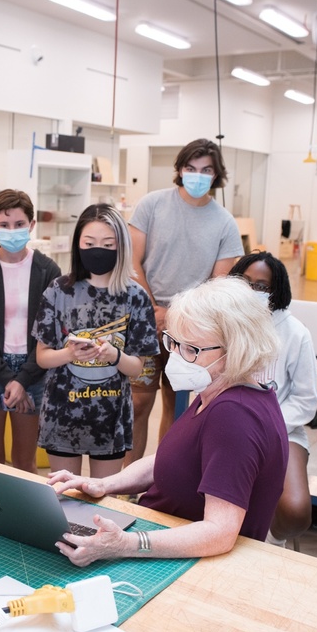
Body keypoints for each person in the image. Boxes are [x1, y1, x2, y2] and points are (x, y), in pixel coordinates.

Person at [48, 277, 288, 566]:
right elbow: (173, 458)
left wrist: (127, 544)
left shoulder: (234, 416)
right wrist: (104, 484)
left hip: (186, 560)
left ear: (235, 350)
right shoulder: (217, 391)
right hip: (163, 530)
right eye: (173, 342)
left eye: (190, 349)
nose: (175, 356)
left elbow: (220, 532)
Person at [126, 138, 245, 466]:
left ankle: (162, 478)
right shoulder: (151, 205)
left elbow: (219, 284)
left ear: (216, 175)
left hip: (192, 330)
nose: (197, 175)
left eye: (206, 170)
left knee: (176, 406)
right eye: (191, 168)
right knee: (138, 403)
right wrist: (153, 309)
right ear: (179, 170)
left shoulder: (224, 223)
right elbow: (132, 262)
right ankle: (125, 486)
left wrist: (177, 317)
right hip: (145, 321)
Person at [34, 204, 159, 479]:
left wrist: (113, 355)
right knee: (64, 502)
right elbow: (42, 357)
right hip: (62, 413)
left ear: (121, 247)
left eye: (107, 243)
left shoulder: (135, 296)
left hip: (110, 418)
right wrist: (69, 354)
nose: (97, 250)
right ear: (77, 244)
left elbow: (137, 368)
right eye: (89, 243)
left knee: (105, 502)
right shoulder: (59, 290)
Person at [0, 189, 61, 472]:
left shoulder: (47, 270)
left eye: (19, 225)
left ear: (31, 226)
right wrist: (8, 379)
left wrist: (23, 379)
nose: (12, 231)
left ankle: (22, 517)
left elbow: (51, 334)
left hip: (33, 370)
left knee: (24, 462)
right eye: (4, 225)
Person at [230, 252, 317, 546]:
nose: (252, 291)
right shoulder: (223, 324)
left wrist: (267, 424)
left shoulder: (295, 333)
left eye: (262, 286)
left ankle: (270, 543)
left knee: (295, 510)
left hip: (283, 430)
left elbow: (306, 402)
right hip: (230, 426)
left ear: (276, 291)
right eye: (245, 283)